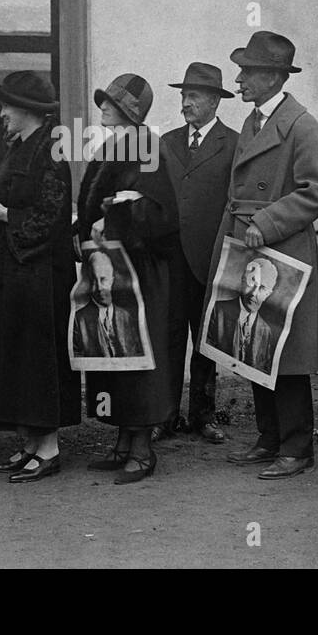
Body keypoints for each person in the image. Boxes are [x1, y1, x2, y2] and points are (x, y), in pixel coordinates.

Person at [219, 31, 318, 480]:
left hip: (283, 250)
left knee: (287, 353)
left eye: (247, 71)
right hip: (248, 245)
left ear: (271, 76)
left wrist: (265, 223)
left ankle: (297, 447)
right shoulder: (254, 122)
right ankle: (269, 438)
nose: (240, 79)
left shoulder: (302, 126)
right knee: (254, 347)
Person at [79, 73, 180, 484]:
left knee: (139, 359)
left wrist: (115, 214)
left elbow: (161, 214)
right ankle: (123, 442)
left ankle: (142, 451)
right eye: (104, 100)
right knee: (116, 353)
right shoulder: (112, 147)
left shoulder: (147, 148)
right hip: (111, 266)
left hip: (141, 271)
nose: (103, 106)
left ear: (131, 113)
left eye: (113, 103)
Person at [0, 72, 80, 483]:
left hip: (42, 272)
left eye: (8, 107)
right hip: (16, 266)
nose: (2, 114)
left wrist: (5, 215)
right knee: (17, 356)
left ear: (27, 111)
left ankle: (49, 448)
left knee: (40, 358)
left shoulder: (52, 148)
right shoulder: (22, 145)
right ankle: (28, 444)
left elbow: (53, 215)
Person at [159, 62, 235, 443]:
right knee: (169, 338)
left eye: (194, 97)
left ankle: (203, 416)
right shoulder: (166, 142)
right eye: (183, 96)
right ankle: (165, 415)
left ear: (214, 102)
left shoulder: (234, 144)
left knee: (206, 340)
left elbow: (234, 203)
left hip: (210, 258)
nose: (186, 103)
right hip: (171, 260)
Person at [205, 258, 280, 371]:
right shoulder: (216, 311)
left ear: (268, 294)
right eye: (251, 283)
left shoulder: (266, 331)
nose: (254, 293)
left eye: (262, 288)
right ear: (242, 282)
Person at [72, 250, 142, 358]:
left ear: (111, 281)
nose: (99, 287)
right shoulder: (78, 319)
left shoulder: (126, 316)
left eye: (103, 279)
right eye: (94, 281)